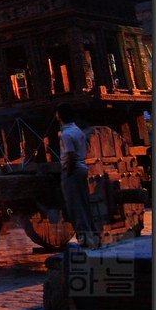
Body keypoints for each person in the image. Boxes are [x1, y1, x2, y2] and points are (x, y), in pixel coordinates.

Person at [57, 103, 97, 248]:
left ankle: (84, 240)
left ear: (59, 116)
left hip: (73, 172)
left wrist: (67, 172)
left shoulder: (66, 134)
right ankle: (93, 237)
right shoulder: (78, 131)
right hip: (82, 168)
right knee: (84, 204)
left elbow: (70, 155)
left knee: (75, 207)